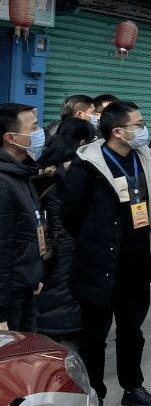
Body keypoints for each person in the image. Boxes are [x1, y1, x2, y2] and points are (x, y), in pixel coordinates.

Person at [61, 101, 151, 406]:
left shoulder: (143, 159)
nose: (143, 127)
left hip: (135, 265)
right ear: (118, 131)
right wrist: (98, 241)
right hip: (99, 266)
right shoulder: (86, 167)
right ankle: (96, 396)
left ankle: (133, 387)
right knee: (94, 336)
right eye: (137, 123)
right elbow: (70, 216)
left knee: (132, 331)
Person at [33, 118, 96, 342]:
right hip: (67, 243)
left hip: (43, 245)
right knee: (66, 293)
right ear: (82, 142)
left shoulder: (40, 164)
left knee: (47, 292)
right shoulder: (76, 169)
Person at [0, 103, 45, 332]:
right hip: (9, 300)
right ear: (10, 137)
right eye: (34, 127)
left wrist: (33, 275)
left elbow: (26, 230)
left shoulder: (20, 171)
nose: (40, 132)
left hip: (24, 287)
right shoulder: (3, 183)